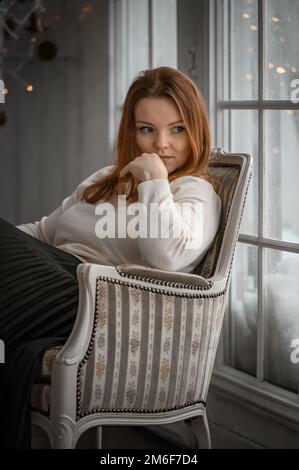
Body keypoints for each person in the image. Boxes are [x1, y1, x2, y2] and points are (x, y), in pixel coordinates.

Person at [0, 66, 222, 448]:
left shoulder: (195, 192)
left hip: (100, 306)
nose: (161, 144)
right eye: (147, 129)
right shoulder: (104, 179)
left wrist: (154, 182)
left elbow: (167, 258)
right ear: (130, 131)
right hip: (47, 281)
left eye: (177, 129)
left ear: (196, 130)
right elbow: (42, 233)